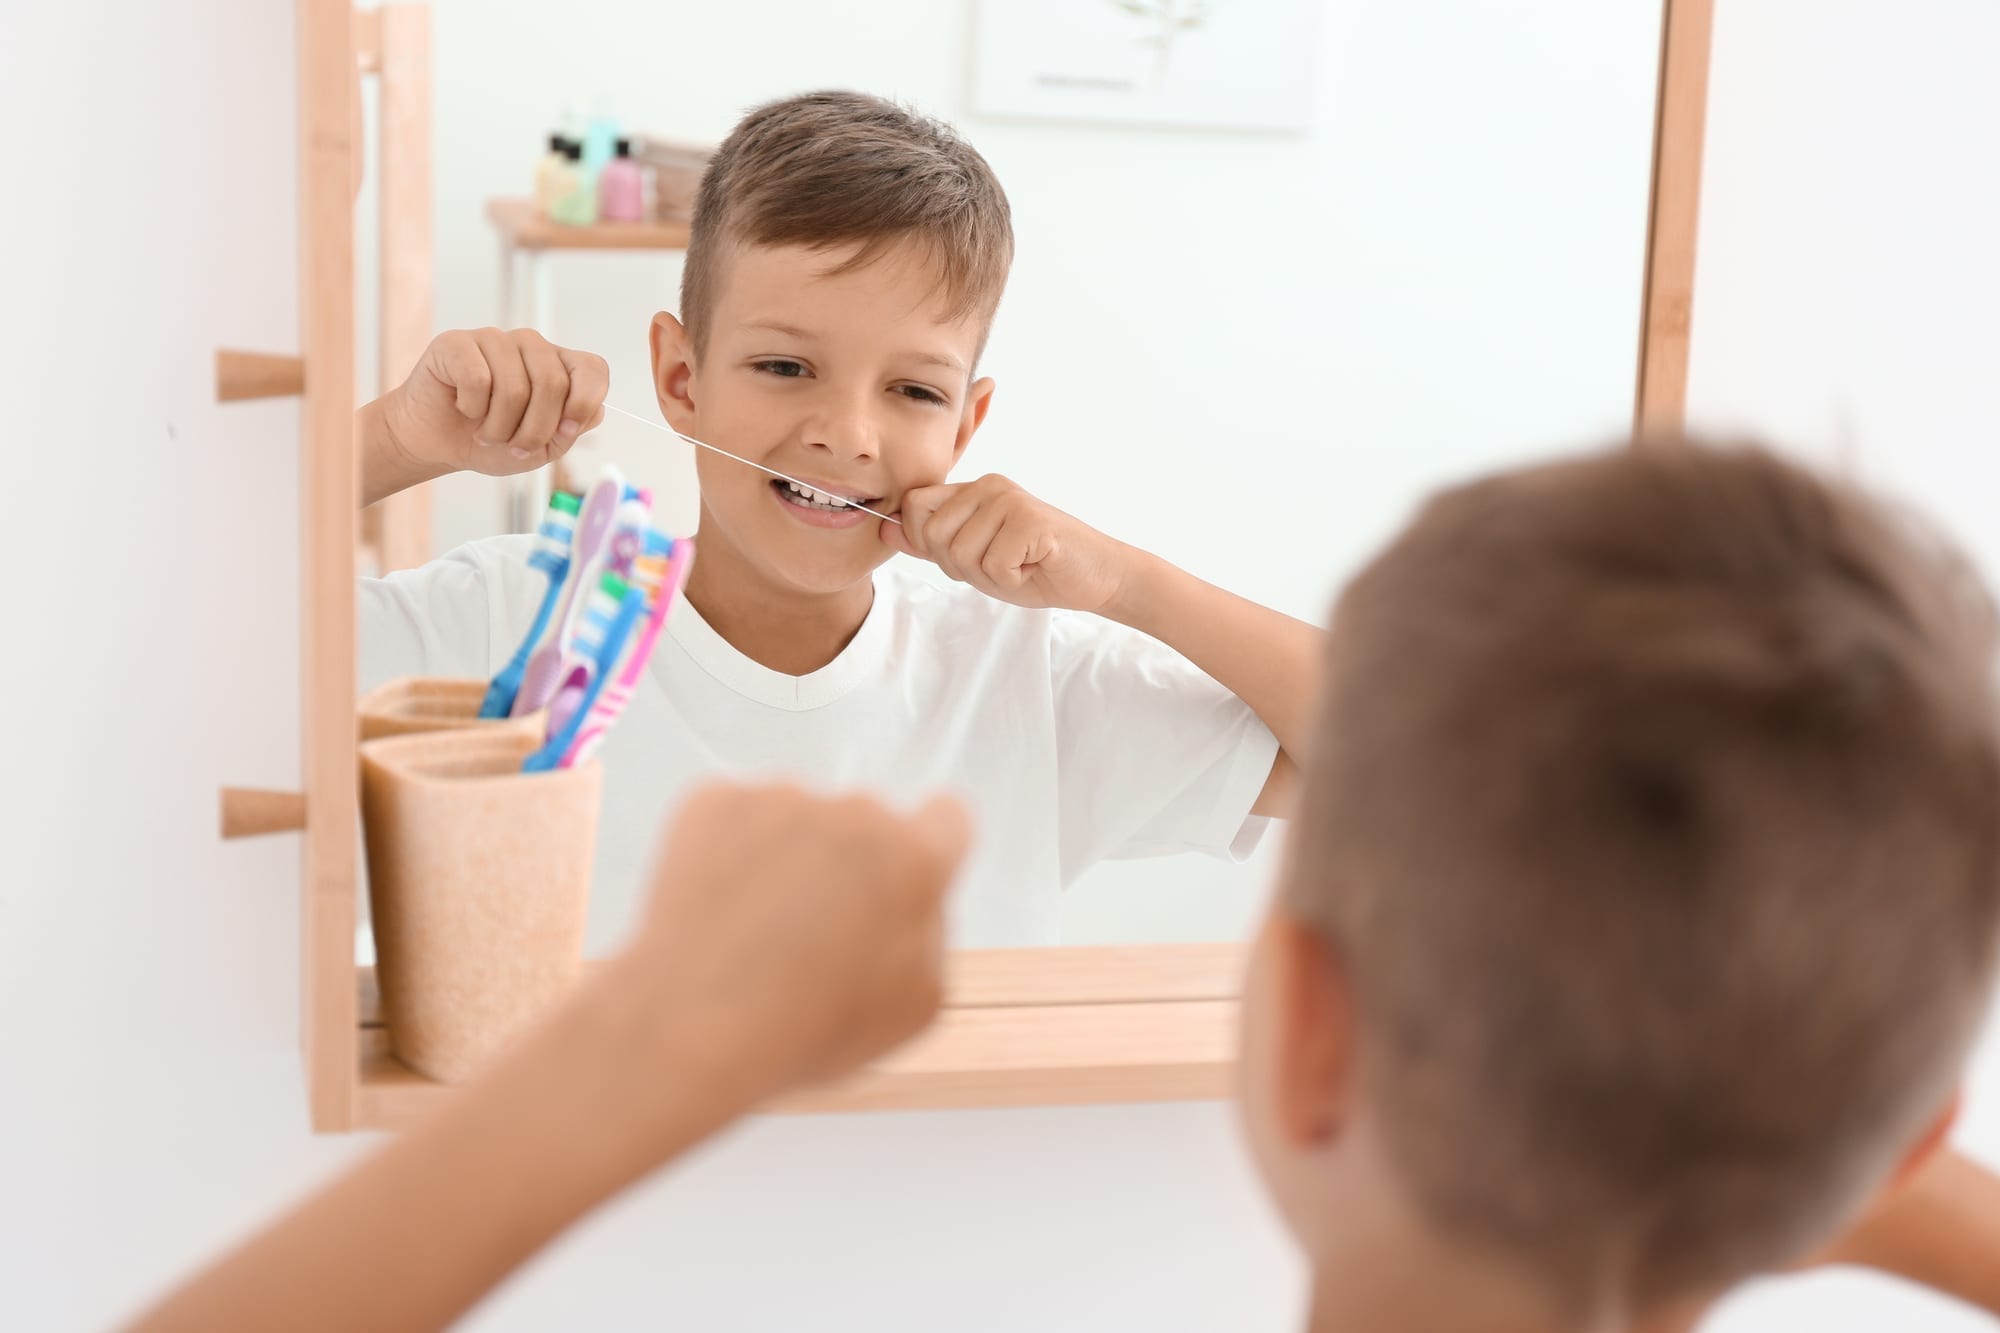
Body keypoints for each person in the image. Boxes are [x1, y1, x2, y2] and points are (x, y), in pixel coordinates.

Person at [134, 441, 2000, 1331]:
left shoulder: (1026, 676)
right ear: (1914, 1128)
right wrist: (1800, 1165)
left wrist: (658, 1042)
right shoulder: (1862, 1167)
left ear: (1314, 1029)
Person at [359, 90, 1317, 950]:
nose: (848, 436)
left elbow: (1419, 761)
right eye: (785, 367)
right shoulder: (510, 622)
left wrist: (1125, 583)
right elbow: (212, 650)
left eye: (912, 389)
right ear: (680, 380)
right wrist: (397, 439)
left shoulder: (1022, 678)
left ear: (965, 425)